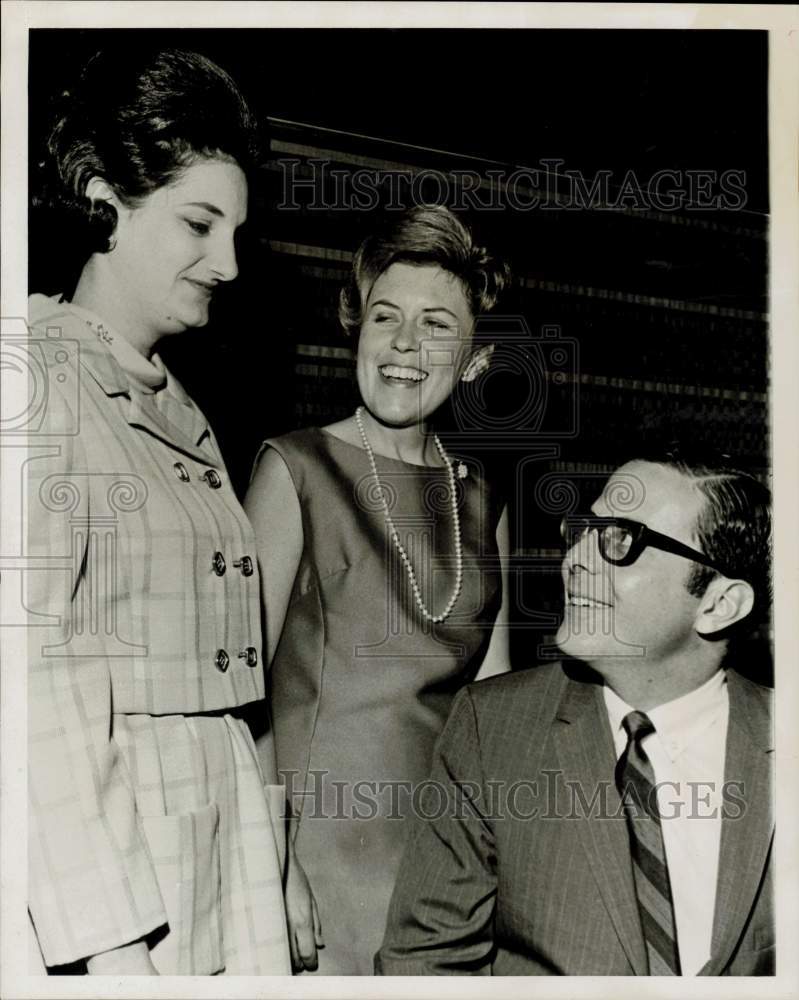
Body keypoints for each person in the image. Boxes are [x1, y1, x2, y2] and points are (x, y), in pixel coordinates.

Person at [26, 47, 303, 975]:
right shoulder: (34, 380)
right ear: (104, 200)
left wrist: (273, 855)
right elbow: (30, 692)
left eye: (236, 232)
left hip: (219, 840)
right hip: (123, 867)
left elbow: (238, 688)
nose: (227, 263)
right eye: (198, 223)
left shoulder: (178, 404)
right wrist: (112, 947)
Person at [377, 449, 773, 975]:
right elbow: (424, 967)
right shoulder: (492, 731)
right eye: (585, 530)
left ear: (719, 604)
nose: (576, 559)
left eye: (621, 540)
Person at [244, 204, 512, 974]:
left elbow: (490, 720)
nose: (403, 345)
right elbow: (238, 698)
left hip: (445, 867)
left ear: (472, 360)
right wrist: (273, 864)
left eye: (435, 325)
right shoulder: (292, 469)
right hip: (313, 864)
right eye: (384, 317)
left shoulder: (486, 499)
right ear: (354, 327)